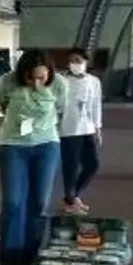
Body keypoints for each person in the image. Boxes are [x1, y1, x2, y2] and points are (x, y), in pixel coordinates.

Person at [0, 49, 63, 265]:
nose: (36, 83)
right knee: (13, 203)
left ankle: (30, 257)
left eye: (41, 78)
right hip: (13, 146)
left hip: (47, 146)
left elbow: (61, 110)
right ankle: (11, 263)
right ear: (21, 73)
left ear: (49, 74)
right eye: (30, 78)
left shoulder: (59, 84)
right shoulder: (7, 81)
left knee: (39, 203)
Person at [57, 48, 104, 214]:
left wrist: (97, 128)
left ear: (86, 62)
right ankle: (70, 201)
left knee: (92, 164)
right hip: (68, 129)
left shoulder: (94, 81)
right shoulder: (61, 80)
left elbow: (96, 105)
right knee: (70, 167)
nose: (74, 64)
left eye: (78, 61)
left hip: (87, 128)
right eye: (71, 61)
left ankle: (74, 194)